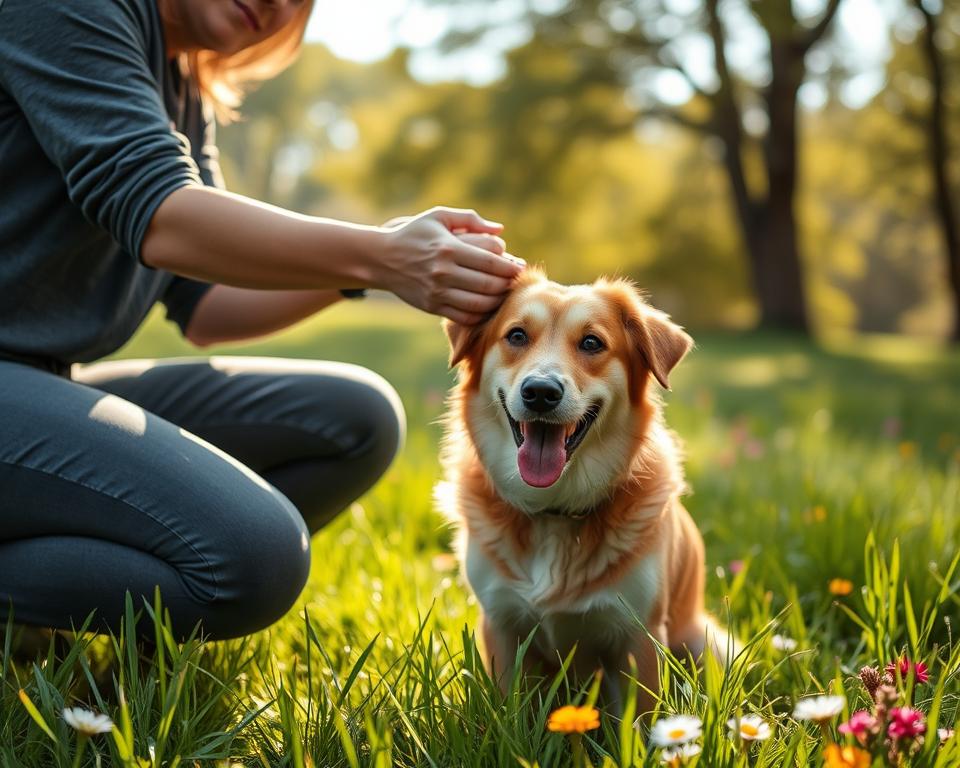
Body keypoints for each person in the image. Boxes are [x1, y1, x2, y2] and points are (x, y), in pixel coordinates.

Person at [0, 0, 524, 641]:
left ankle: (41, 606)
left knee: (354, 418)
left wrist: (374, 268)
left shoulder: (179, 87)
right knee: (257, 557)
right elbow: (162, 214)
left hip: (41, 382)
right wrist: (384, 255)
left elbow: (207, 303)